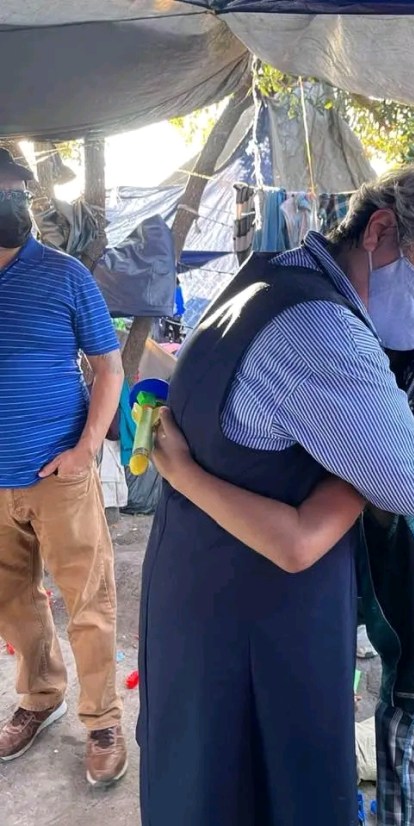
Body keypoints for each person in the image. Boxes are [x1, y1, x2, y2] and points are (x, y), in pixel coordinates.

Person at [137, 164, 414, 826]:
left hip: (196, 574)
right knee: (277, 780)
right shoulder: (324, 335)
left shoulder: (267, 276)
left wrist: (411, 383)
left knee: (203, 773)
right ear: (382, 230)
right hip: (264, 609)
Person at [0, 149, 126, 785]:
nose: (13, 200)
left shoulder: (63, 274)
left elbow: (109, 368)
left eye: (17, 189)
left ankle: (102, 717)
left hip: (59, 477)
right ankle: (39, 698)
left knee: (88, 603)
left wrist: (85, 451)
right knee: (13, 603)